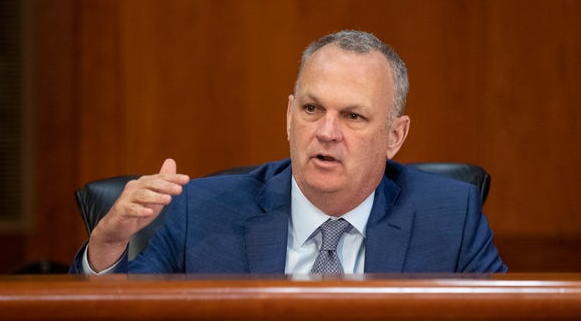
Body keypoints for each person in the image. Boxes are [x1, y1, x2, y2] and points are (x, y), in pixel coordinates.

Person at [70, 30, 507, 275]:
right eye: (312, 108)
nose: (326, 132)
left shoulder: (449, 216)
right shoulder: (204, 212)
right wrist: (108, 245)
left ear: (395, 136)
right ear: (288, 115)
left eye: (353, 116)